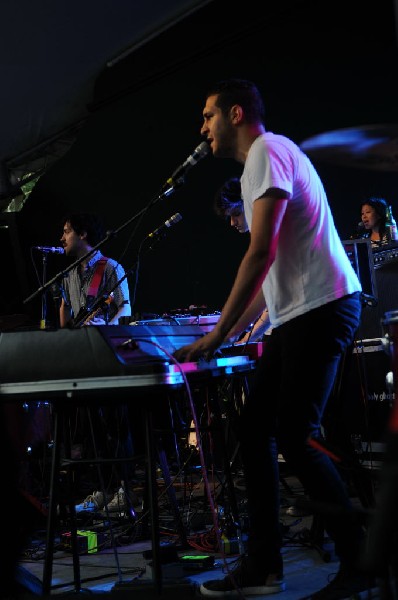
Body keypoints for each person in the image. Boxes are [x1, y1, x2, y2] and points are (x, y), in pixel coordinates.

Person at [173, 79, 372, 599]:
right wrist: (227, 334)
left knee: (292, 436)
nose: (203, 128)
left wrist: (217, 334)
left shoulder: (265, 149)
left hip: (323, 306)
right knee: (253, 426)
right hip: (303, 314)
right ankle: (264, 566)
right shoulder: (260, 164)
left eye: (208, 115)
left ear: (235, 114)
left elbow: (258, 253)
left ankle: (360, 562)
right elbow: (269, 271)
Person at [58, 213, 135, 514]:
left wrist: (107, 330)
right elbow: (66, 314)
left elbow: (124, 306)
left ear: (84, 234)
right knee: (93, 428)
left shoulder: (111, 267)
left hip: (107, 354)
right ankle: (104, 488)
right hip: (83, 357)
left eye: (66, 231)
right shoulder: (67, 276)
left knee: (116, 424)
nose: (61, 238)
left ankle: (124, 490)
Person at [213, 176, 271, 344]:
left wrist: (240, 338)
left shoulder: (270, 231)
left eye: (236, 214)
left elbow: (269, 295)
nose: (232, 223)